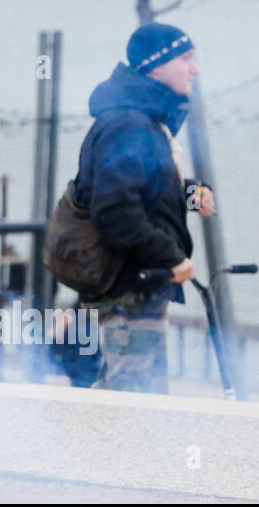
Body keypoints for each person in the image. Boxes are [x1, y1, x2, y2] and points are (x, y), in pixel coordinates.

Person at [75, 23, 214, 392]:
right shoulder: (128, 125)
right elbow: (115, 211)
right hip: (127, 288)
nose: (195, 68)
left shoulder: (144, 120)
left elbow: (148, 192)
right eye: (186, 59)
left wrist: (191, 194)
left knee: (140, 399)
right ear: (156, 66)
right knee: (131, 399)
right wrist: (171, 257)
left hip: (140, 286)